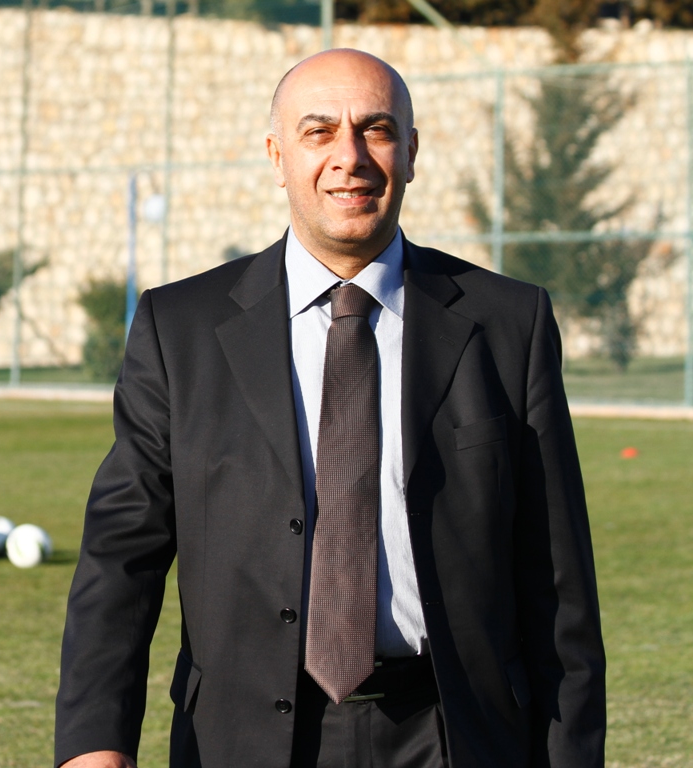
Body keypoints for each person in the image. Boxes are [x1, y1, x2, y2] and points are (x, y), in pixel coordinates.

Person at [54, 49, 605, 768]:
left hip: (455, 736)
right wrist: (94, 743)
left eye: (376, 129)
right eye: (319, 132)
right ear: (277, 156)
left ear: (411, 152)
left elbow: (557, 579)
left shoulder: (508, 323)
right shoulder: (180, 329)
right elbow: (120, 555)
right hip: (243, 741)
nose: (351, 156)